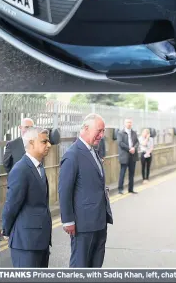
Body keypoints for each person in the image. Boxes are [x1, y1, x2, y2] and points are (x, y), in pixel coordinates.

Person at [59, 114, 113, 268]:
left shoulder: (93, 151)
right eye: (99, 131)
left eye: (103, 131)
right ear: (85, 128)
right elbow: (64, 191)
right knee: (80, 266)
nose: (101, 135)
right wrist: (68, 220)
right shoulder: (72, 155)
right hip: (83, 224)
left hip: (100, 221)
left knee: (96, 265)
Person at [1, 127, 52, 267]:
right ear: (31, 143)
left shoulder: (39, 167)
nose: (49, 144)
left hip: (40, 241)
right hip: (26, 244)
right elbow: (12, 203)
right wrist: (5, 229)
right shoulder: (21, 169)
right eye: (44, 141)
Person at [118, 118, 139, 194]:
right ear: (124, 123)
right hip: (124, 156)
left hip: (133, 156)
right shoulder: (120, 133)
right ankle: (120, 189)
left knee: (132, 173)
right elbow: (120, 143)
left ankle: (131, 189)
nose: (129, 124)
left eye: (130, 122)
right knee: (122, 173)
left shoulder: (134, 133)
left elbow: (137, 142)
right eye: (127, 122)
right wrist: (129, 148)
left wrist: (134, 148)